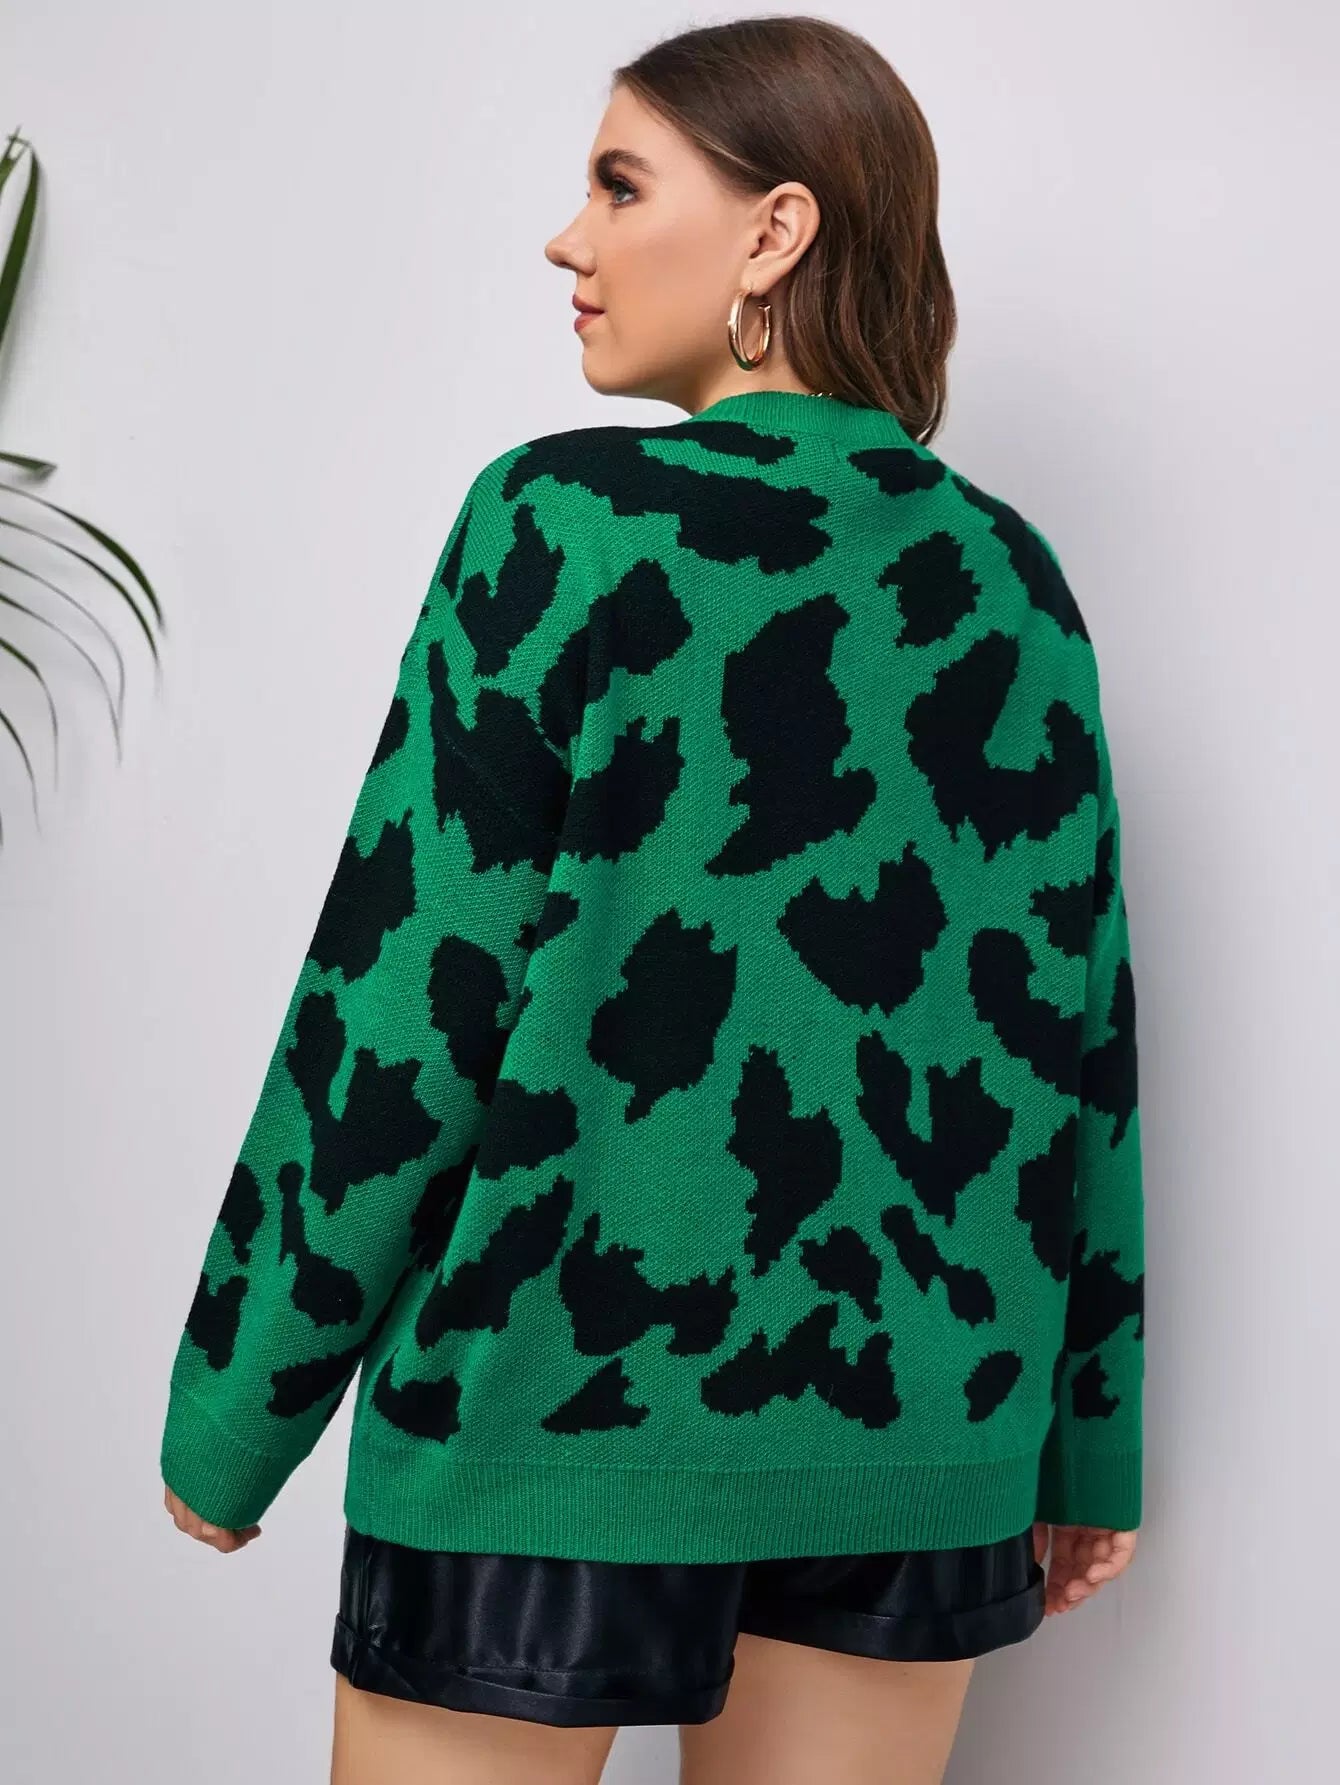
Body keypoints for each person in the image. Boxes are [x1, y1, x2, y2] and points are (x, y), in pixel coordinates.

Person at [160, 15, 1145, 1784]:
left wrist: (239, 1403)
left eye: (621, 185)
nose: (571, 239)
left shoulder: (562, 522)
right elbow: (1079, 1049)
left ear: (776, 231)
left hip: (549, 1418)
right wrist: (1089, 1439)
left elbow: (400, 996)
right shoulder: (1017, 578)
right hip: (922, 1444)